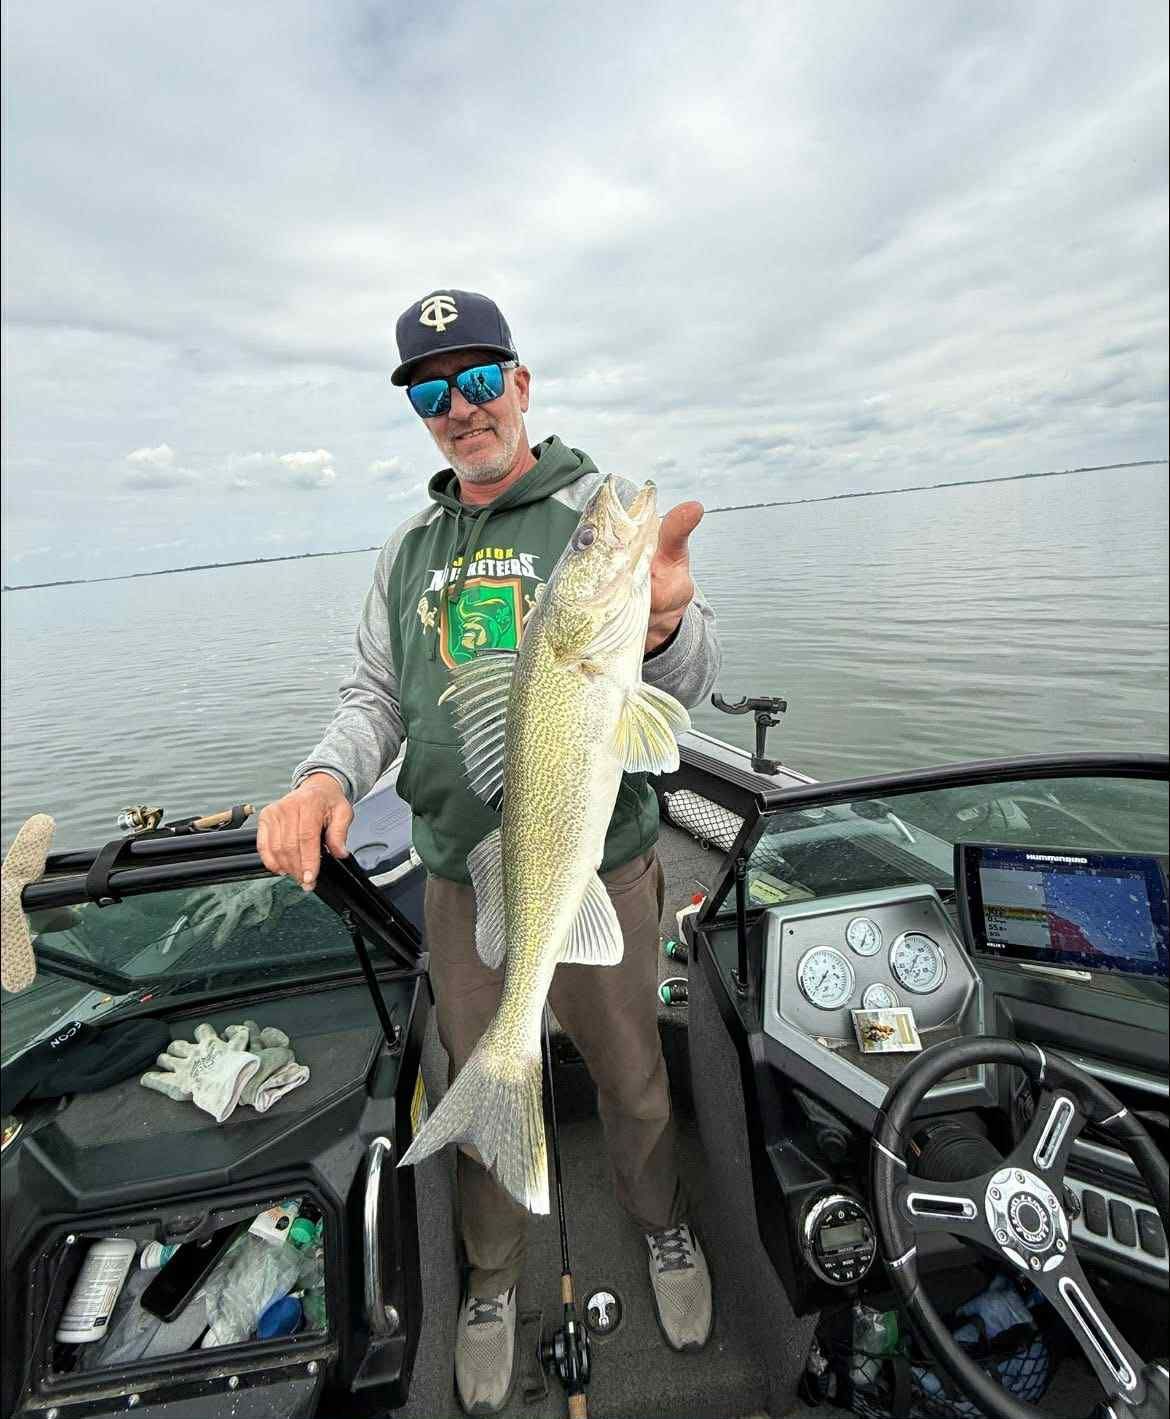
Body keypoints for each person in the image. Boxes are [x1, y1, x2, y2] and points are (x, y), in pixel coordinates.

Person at [257, 290, 722, 1414]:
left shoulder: (588, 517)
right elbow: (374, 695)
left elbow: (681, 691)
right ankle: (491, 1281)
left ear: (519, 383)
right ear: (421, 414)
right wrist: (326, 777)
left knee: (635, 1078)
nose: (458, 408)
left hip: (602, 866)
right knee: (477, 1081)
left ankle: (661, 1227)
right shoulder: (408, 550)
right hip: (464, 881)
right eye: (431, 391)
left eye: (476, 380)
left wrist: (662, 626)